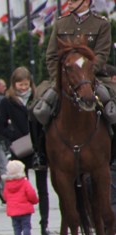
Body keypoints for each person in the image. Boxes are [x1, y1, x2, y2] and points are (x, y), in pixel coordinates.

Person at [31, 0, 112, 161]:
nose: (69, 2)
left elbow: (102, 54)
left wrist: (86, 75)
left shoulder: (101, 24)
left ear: (86, 2)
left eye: (74, 0)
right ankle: (39, 152)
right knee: (38, 109)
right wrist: (58, 79)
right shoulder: (61, 23)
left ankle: (113, 153)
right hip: (64, 79)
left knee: (112, 108)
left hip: (94, 78)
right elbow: (52, 55)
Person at [0, 67, 55, 235]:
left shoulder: (37, 98)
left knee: (42, 189)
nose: (23, 88)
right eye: (19, 85)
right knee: (21, 190)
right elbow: (1, 127)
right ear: (13, 84)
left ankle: (44, 226)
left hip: (38, 147)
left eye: (26, 84)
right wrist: (15, 137)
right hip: (21, 149)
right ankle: (23, 227)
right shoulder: (7, 101)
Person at [3, 159, 39, 235]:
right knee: (26, 225)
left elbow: (5, 196)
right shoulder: (24, 182)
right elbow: (31, 193)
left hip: (13, 210)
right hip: (25, 209)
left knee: (16, 226)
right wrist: (35, 201)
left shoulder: (7, 184)